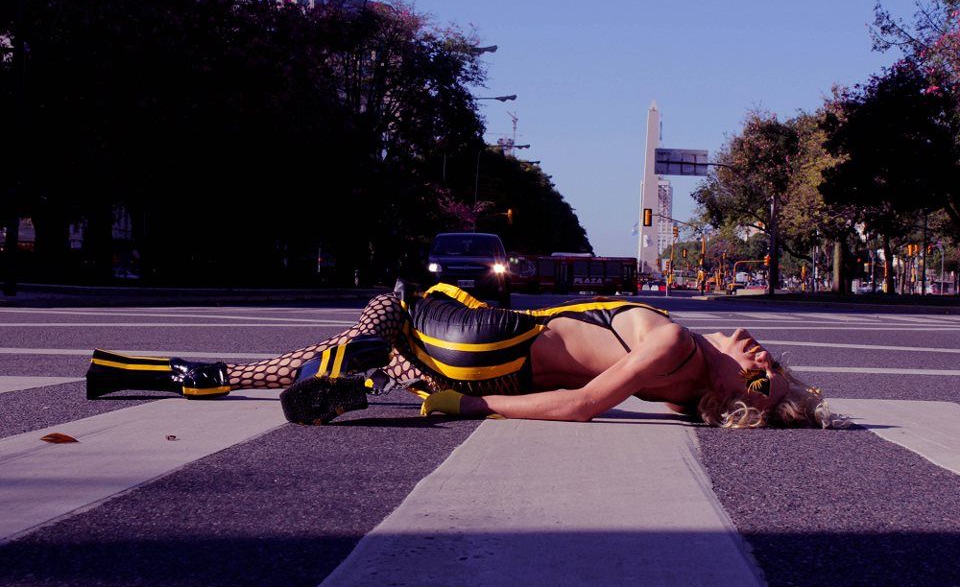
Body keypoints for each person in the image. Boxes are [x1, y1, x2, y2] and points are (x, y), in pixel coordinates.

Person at [85, 281, 848, 429]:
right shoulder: (681, 385)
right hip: (492, 360)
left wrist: (468, 402)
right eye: (775, 357)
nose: (759, 350)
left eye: (761, 374)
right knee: (298, 362)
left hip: (490, 341)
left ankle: (369, 350)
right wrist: (454, 392)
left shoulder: (675, 344)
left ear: (732, 394)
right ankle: (140, 372)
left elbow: (581, 403)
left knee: (398, 300)